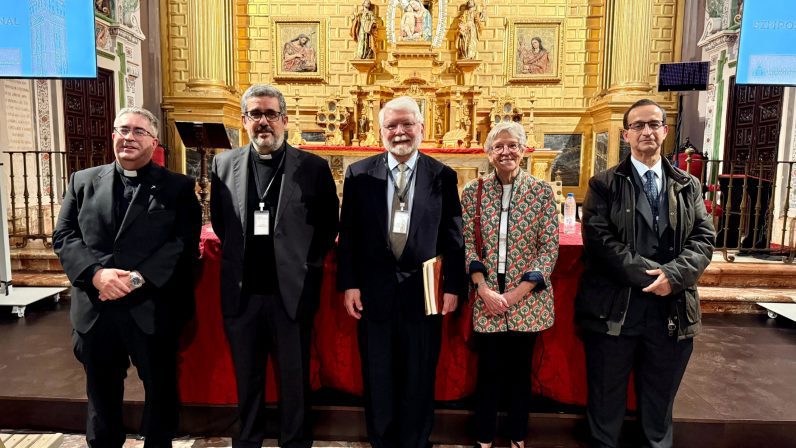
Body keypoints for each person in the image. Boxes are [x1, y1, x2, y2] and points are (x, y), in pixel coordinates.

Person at [53, 107, 202, 447]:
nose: (129, 137)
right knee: (101, 393)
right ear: (113, 136)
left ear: (154, 141)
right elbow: (64, 235)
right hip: (97, 306)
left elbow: (182, 243)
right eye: (123, 130)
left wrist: (136, 279)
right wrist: (95, 275)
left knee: (160, 391)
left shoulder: (178, 187)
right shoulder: (82, 181)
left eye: (138, 131)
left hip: (152, 307)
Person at [577, 99, 715, 448]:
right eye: (638, 125)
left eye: (653, 124)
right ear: (626, 135)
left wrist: (674, 276)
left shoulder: (688, 185)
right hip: (615, 312)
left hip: (671, 312)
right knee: (605, 405)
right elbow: (600, 241)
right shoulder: (603, 184)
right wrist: (652, 277)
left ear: (665, 131)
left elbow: (703, 238)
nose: (646, 131)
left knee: (658, 410)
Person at [210, 84, 339, 448]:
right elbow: (221, 222)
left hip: (291, 293)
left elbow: (328, 224)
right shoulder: (223, 164)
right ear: (244, 120)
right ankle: (248, 440)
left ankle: (295, 442)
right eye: (255, 114)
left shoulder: (313, 168)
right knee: (247, 377)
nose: (263, 122)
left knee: (294, 379)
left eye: (270, 114)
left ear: (285, 119)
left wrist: (305, 264)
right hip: (243, 292)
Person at [337, 96, 465, 448]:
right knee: (378, 376)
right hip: (374, 293)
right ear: (380, 131)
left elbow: (453, 237)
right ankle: (382, 442)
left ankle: (415, 442)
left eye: (407, 124)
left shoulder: (443, 176)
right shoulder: (359, 174)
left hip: (425, 294)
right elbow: (349, 235)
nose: (400, 132)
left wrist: (454, 286)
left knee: (419, 377)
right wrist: (349, 284)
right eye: (391, 125)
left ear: (421, 128)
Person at [461, 121, 558, 448]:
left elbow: (549, 248)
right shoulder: (473, 192)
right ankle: (484, 437)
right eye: (498, 146)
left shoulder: (541, 191)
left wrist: (517, 293)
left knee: (520, 372)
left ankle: (518, 435)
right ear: (489, 153)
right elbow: (467, 244)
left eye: (513, 145)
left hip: (526, 299)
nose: (506, 151)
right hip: (487, 295)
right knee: (488, 372)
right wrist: (483, 288)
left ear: (524, 150)